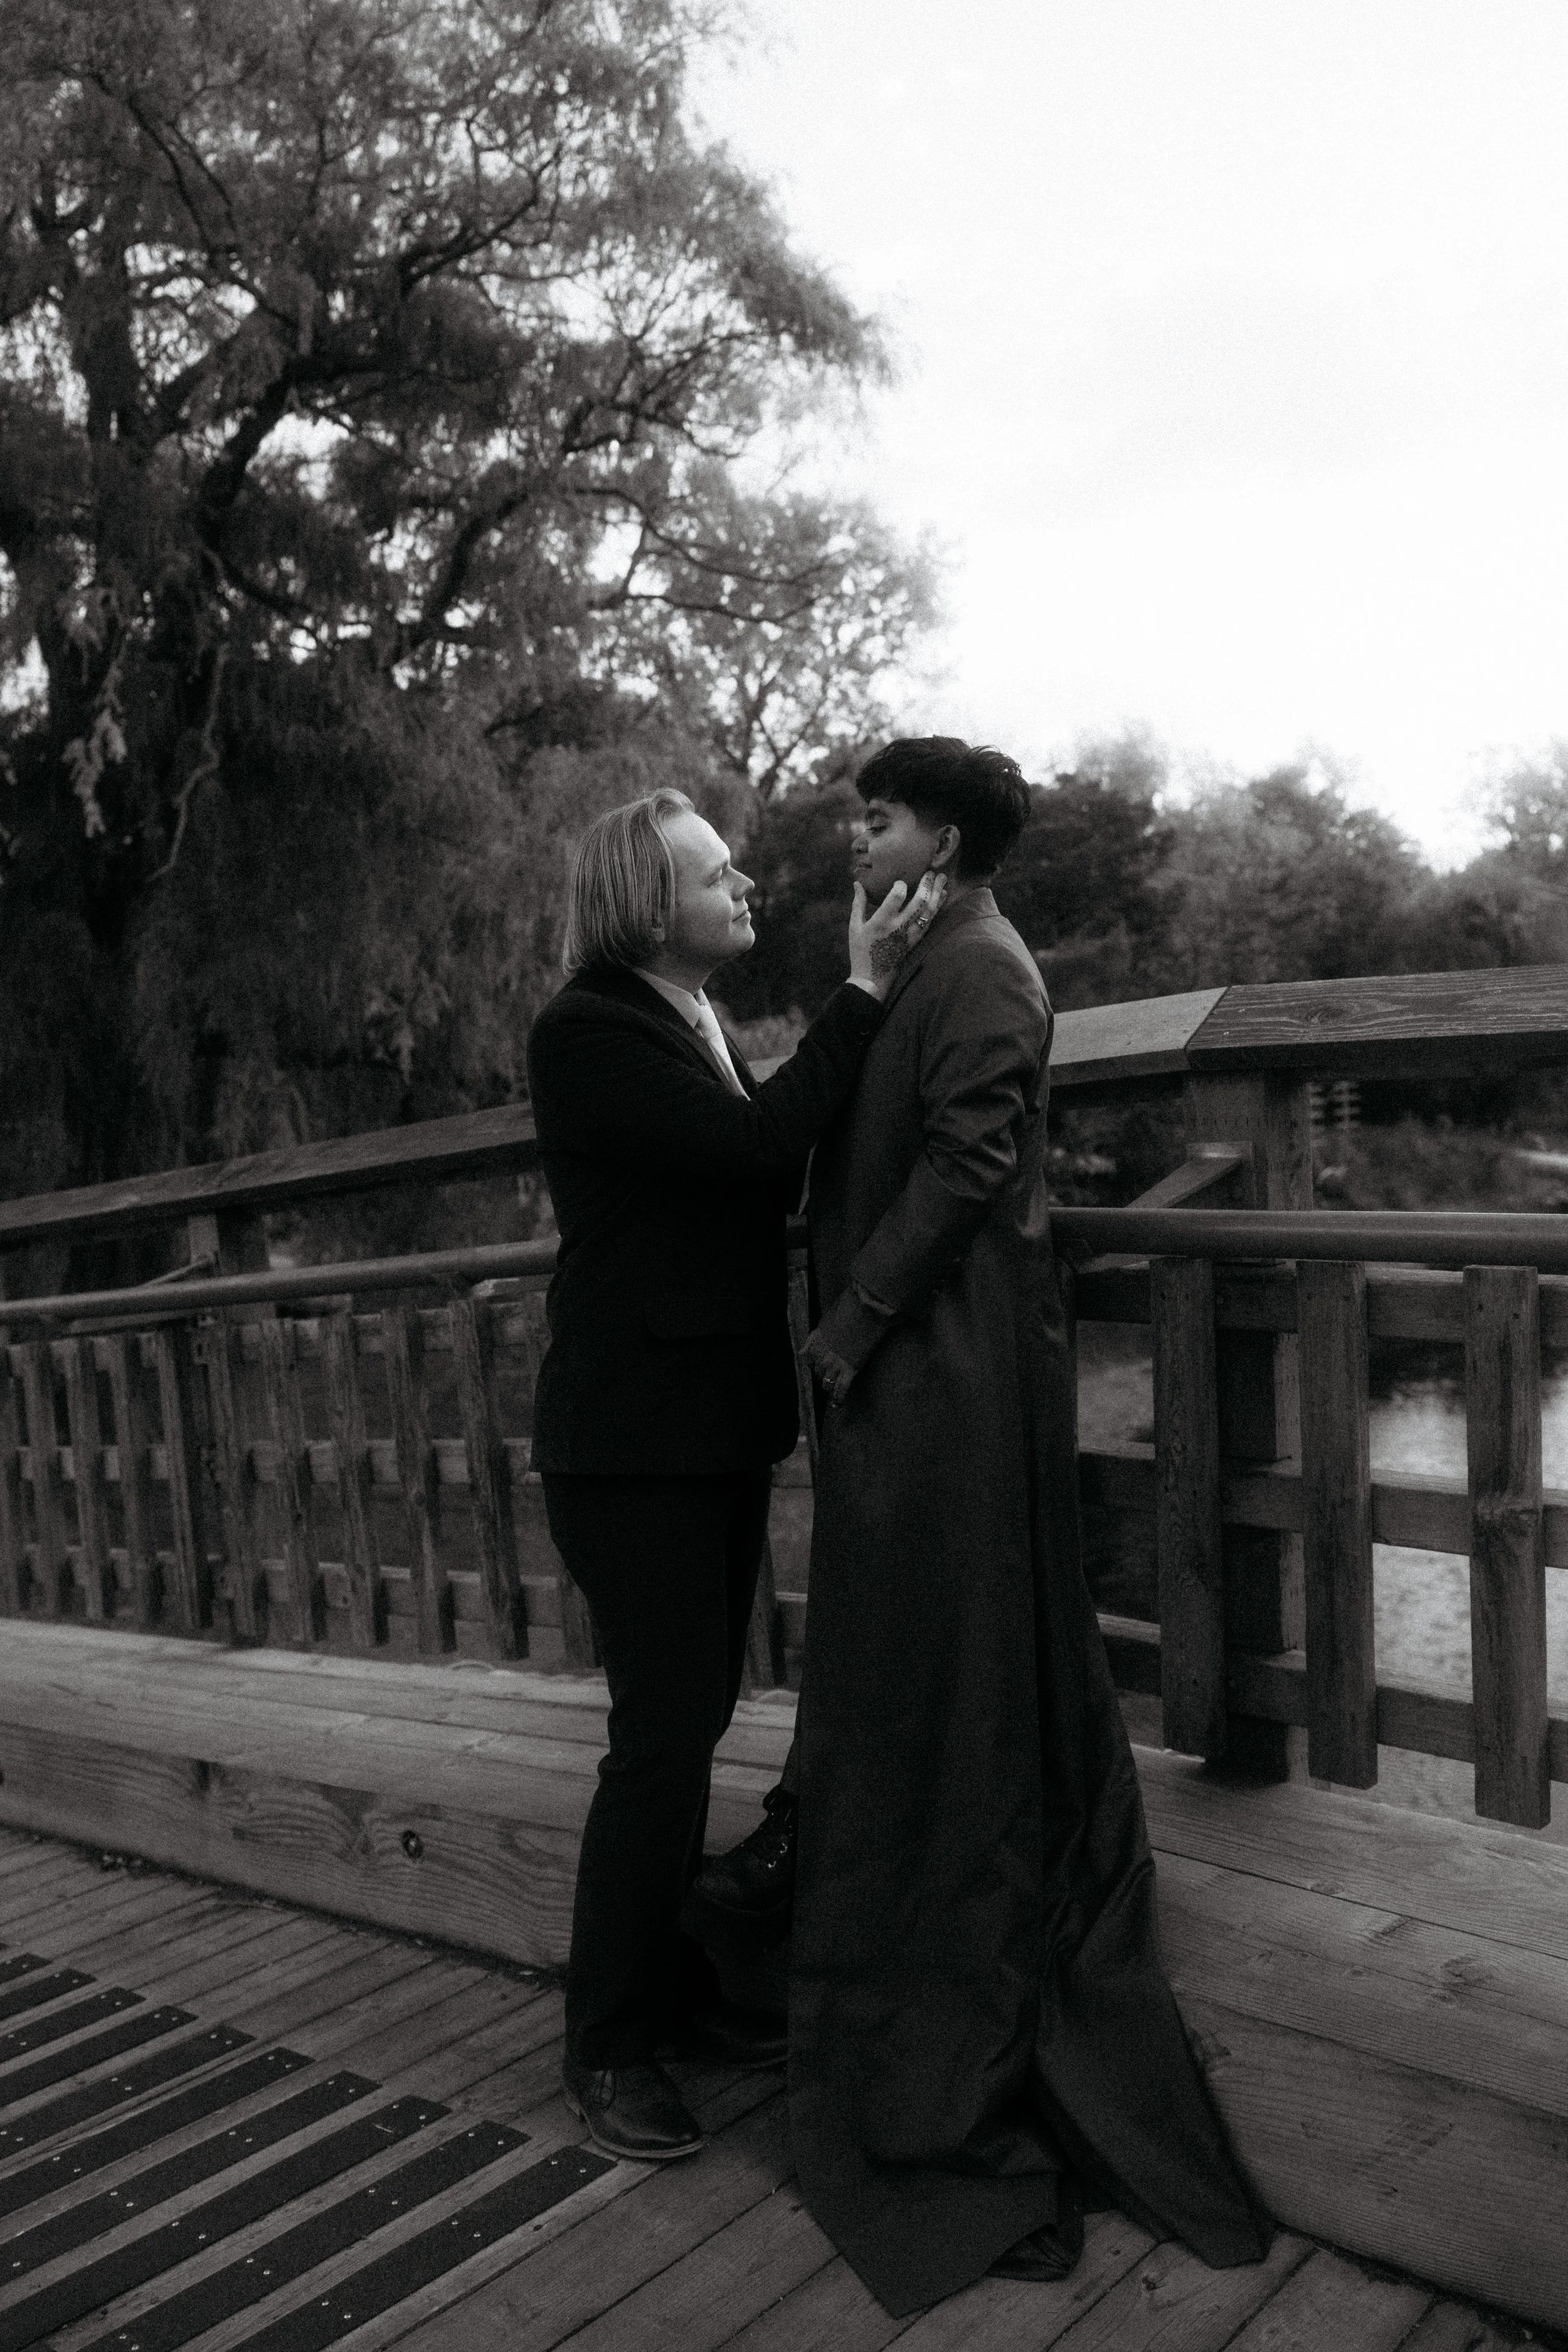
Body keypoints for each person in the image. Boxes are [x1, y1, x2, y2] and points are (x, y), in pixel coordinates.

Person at [699, 738, 1271, 2314]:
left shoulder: (991, 968)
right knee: (892, 1657)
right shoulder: (924, 955)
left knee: (939, 1653)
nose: (852, 834)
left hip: (941, 1377)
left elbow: (962, 1167)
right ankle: (852, 1917)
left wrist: (855, 1321)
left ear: (937, 835)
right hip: (900, 1371)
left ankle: (938, 1977)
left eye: (872, 816)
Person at [526, 784, 945, 2168]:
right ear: (650, 906)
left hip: (698, 1429)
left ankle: (672, 1988)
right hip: (628, 1443)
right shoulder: (587, 1029)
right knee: (661, 1735)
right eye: (715, 874)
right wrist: (864, 989)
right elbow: (756, 1156)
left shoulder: (685, 1018)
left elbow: (748, 1163)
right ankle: (605, 2041)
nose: (742, 885)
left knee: (695, 1716)